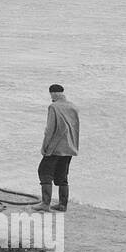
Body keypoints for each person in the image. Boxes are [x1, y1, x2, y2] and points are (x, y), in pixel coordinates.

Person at [39, 83, 80, 212]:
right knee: (62, 176)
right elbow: (76, 128)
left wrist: (44, 146)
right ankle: (63, 205)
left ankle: (45, 204)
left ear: (54, 93)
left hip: (55, 147)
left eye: (51, 94)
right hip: (69, 147)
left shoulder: (53, 107)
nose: (51, 97)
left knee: (44, 172)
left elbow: (50, 129)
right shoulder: (73, 107)